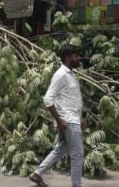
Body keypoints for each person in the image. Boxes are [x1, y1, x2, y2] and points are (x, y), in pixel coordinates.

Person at [29, 44, 84, 187]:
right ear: (67, 58)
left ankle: (37, 174)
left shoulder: (70, 75)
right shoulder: (61, 75)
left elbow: (71, 100)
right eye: (75, 55)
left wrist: (80, 118)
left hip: (71, 120)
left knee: (60, 149)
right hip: (68, 122)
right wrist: (59, 121)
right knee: (77, 156)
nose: (78, 58)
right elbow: (48, 99)